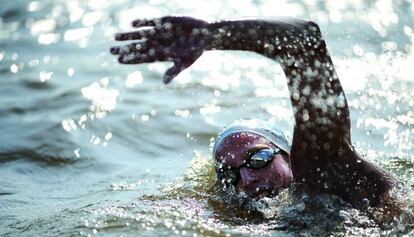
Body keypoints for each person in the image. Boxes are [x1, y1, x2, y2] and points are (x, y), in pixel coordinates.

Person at [110, 16, 397, 207]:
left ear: (287, 154)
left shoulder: (325, 170)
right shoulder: (272, 213)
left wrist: (211, 35)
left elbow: (303, 41)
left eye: (258, 158)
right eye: (229, 175)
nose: (247, 179)